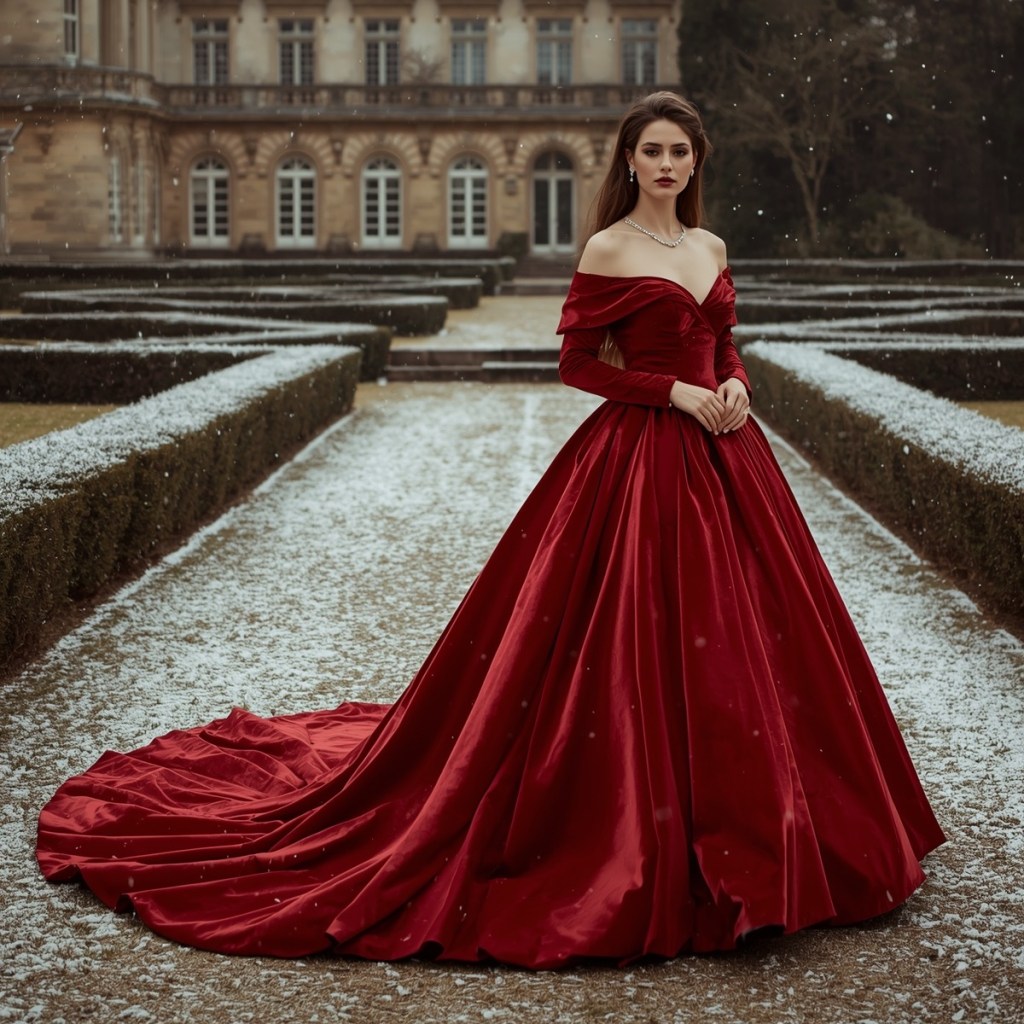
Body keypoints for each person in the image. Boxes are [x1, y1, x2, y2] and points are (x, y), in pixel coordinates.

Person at [37, 92, 944, 969]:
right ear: (629, 158)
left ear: (696, 161)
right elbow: (578, 364)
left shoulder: (707, 242)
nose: (667, 164)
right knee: (624, 644)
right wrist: (671, 391)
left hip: (731, 462)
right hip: (642, 462)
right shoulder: (609, 247)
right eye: (653, 150)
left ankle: (770, 824)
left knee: (753, 646)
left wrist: (736, 382)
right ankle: (639, 815)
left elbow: (727, 338)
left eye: (681, 151)